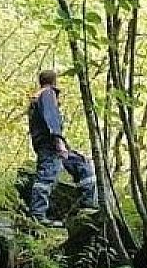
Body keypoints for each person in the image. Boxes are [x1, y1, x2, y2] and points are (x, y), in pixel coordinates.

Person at [27, 70, 97, 226]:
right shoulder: (47, 94)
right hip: (51, 144)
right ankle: (37, 215)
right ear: (54, 81)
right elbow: (51, 118)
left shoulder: (38, 96)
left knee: (82, 164)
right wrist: (58, 140)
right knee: (46, 177)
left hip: (48, 144)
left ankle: (88, 207)